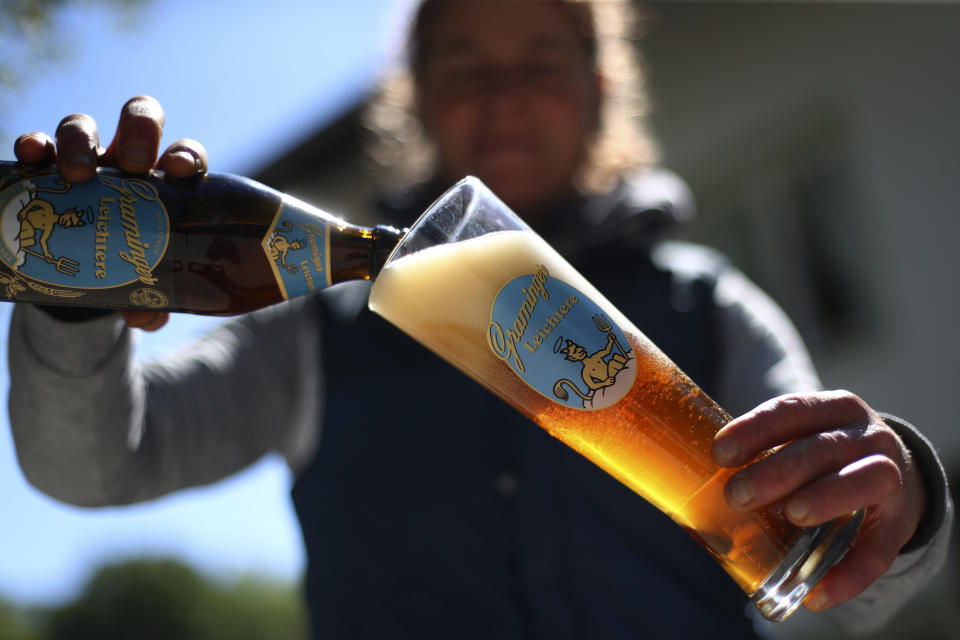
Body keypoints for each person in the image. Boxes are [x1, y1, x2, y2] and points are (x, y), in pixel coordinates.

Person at [7, 1, 952, 638]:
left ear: (603, 89)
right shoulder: (321, 327)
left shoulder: (706, 303)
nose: (505, 94)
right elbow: (96, 466)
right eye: (466, 65)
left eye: (541, 60)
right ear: (414, 99)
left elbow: (832, 587)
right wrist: (77, 296)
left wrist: (895, 507)